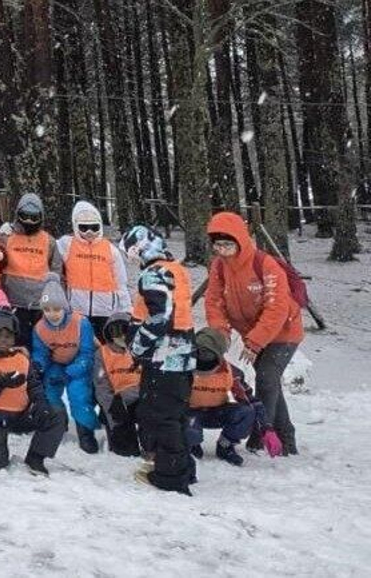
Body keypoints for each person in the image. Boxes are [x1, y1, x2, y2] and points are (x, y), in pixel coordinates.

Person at [204, 211, 304, 456]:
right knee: (269, 383)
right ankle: (287, 439)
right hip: (253, 333)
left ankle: (259, 437)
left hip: (284, 331)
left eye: (228, 244)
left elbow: (277, 307)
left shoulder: (265, 264)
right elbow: (214, 302)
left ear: (240, 240)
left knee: (267, 379)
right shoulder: (219, 266)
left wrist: (255, 342)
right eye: (218, 245)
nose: (223, 250)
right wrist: (221, 335)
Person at [128, 230, 196, 494]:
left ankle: (171, 476)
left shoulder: (152, 274)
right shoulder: (176, 269)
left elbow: (161, 316)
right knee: (176, 416)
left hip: (164, 357)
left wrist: (137, 346)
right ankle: (183, 468)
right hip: (183, 354)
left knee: (162, 417)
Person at [0, 307, 65, 474]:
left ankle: (36, 457)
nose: (3, 340)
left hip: (20, 414)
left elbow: (34, 385)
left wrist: (41, 404)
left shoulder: (22, 358)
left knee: (56, 414)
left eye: (8, 336)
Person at [186, 328, 278, 466]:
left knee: (246, 412)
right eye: (199, 351)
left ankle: (225, 445)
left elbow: (251, 401)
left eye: (208, 353)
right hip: (189, 414)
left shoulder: (231, 373)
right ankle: (192, 445)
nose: (203, 356)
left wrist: (266, 428)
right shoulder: (181, 369)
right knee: (188, 425)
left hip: (218, 412)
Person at [31, 279, 100, 453]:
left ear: (64, 307)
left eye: (56, 309)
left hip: (78, 363)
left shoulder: (80, 323)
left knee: (79, 394)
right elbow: (41, 353)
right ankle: (58, 424)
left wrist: (74, 370)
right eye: (47, 309)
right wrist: (38, 365)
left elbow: (87, 352)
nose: (52, 314)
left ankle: (86, 432)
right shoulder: (39, 328)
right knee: (49, 392)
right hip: (56, 364)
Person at [55, 200, 131, 335]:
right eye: (83, 228)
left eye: (94, 227)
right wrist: (10, 232)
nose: (89, 232)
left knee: (103, 347)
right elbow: (45, 247)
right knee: (82, 344)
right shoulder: (66, 244)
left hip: (106, 309)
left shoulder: (111, 249)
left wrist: (125, 308)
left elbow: (121, 281)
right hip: (77, 309)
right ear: (75, 226)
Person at [0, 193, 61, 345]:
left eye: (34, 218)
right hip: (13, 301)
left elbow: (56, 271)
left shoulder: (49, 241)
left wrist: (55, 298)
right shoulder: (7, 236)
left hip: (40, 304)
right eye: (24, 216)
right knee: (18, 341)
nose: (28, 221)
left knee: (41, 341)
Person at [92, 312, 142, 457]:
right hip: (115, 402)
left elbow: (149, 381)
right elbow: (101, 386)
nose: (120, 336)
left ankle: (149, 444)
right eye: (115, 332)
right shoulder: (102, 354)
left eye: (124, 331)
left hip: (140, 400)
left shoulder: (142, 351)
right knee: (125, 449)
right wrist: (112, 407)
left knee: (150, 419)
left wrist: (127, 397)